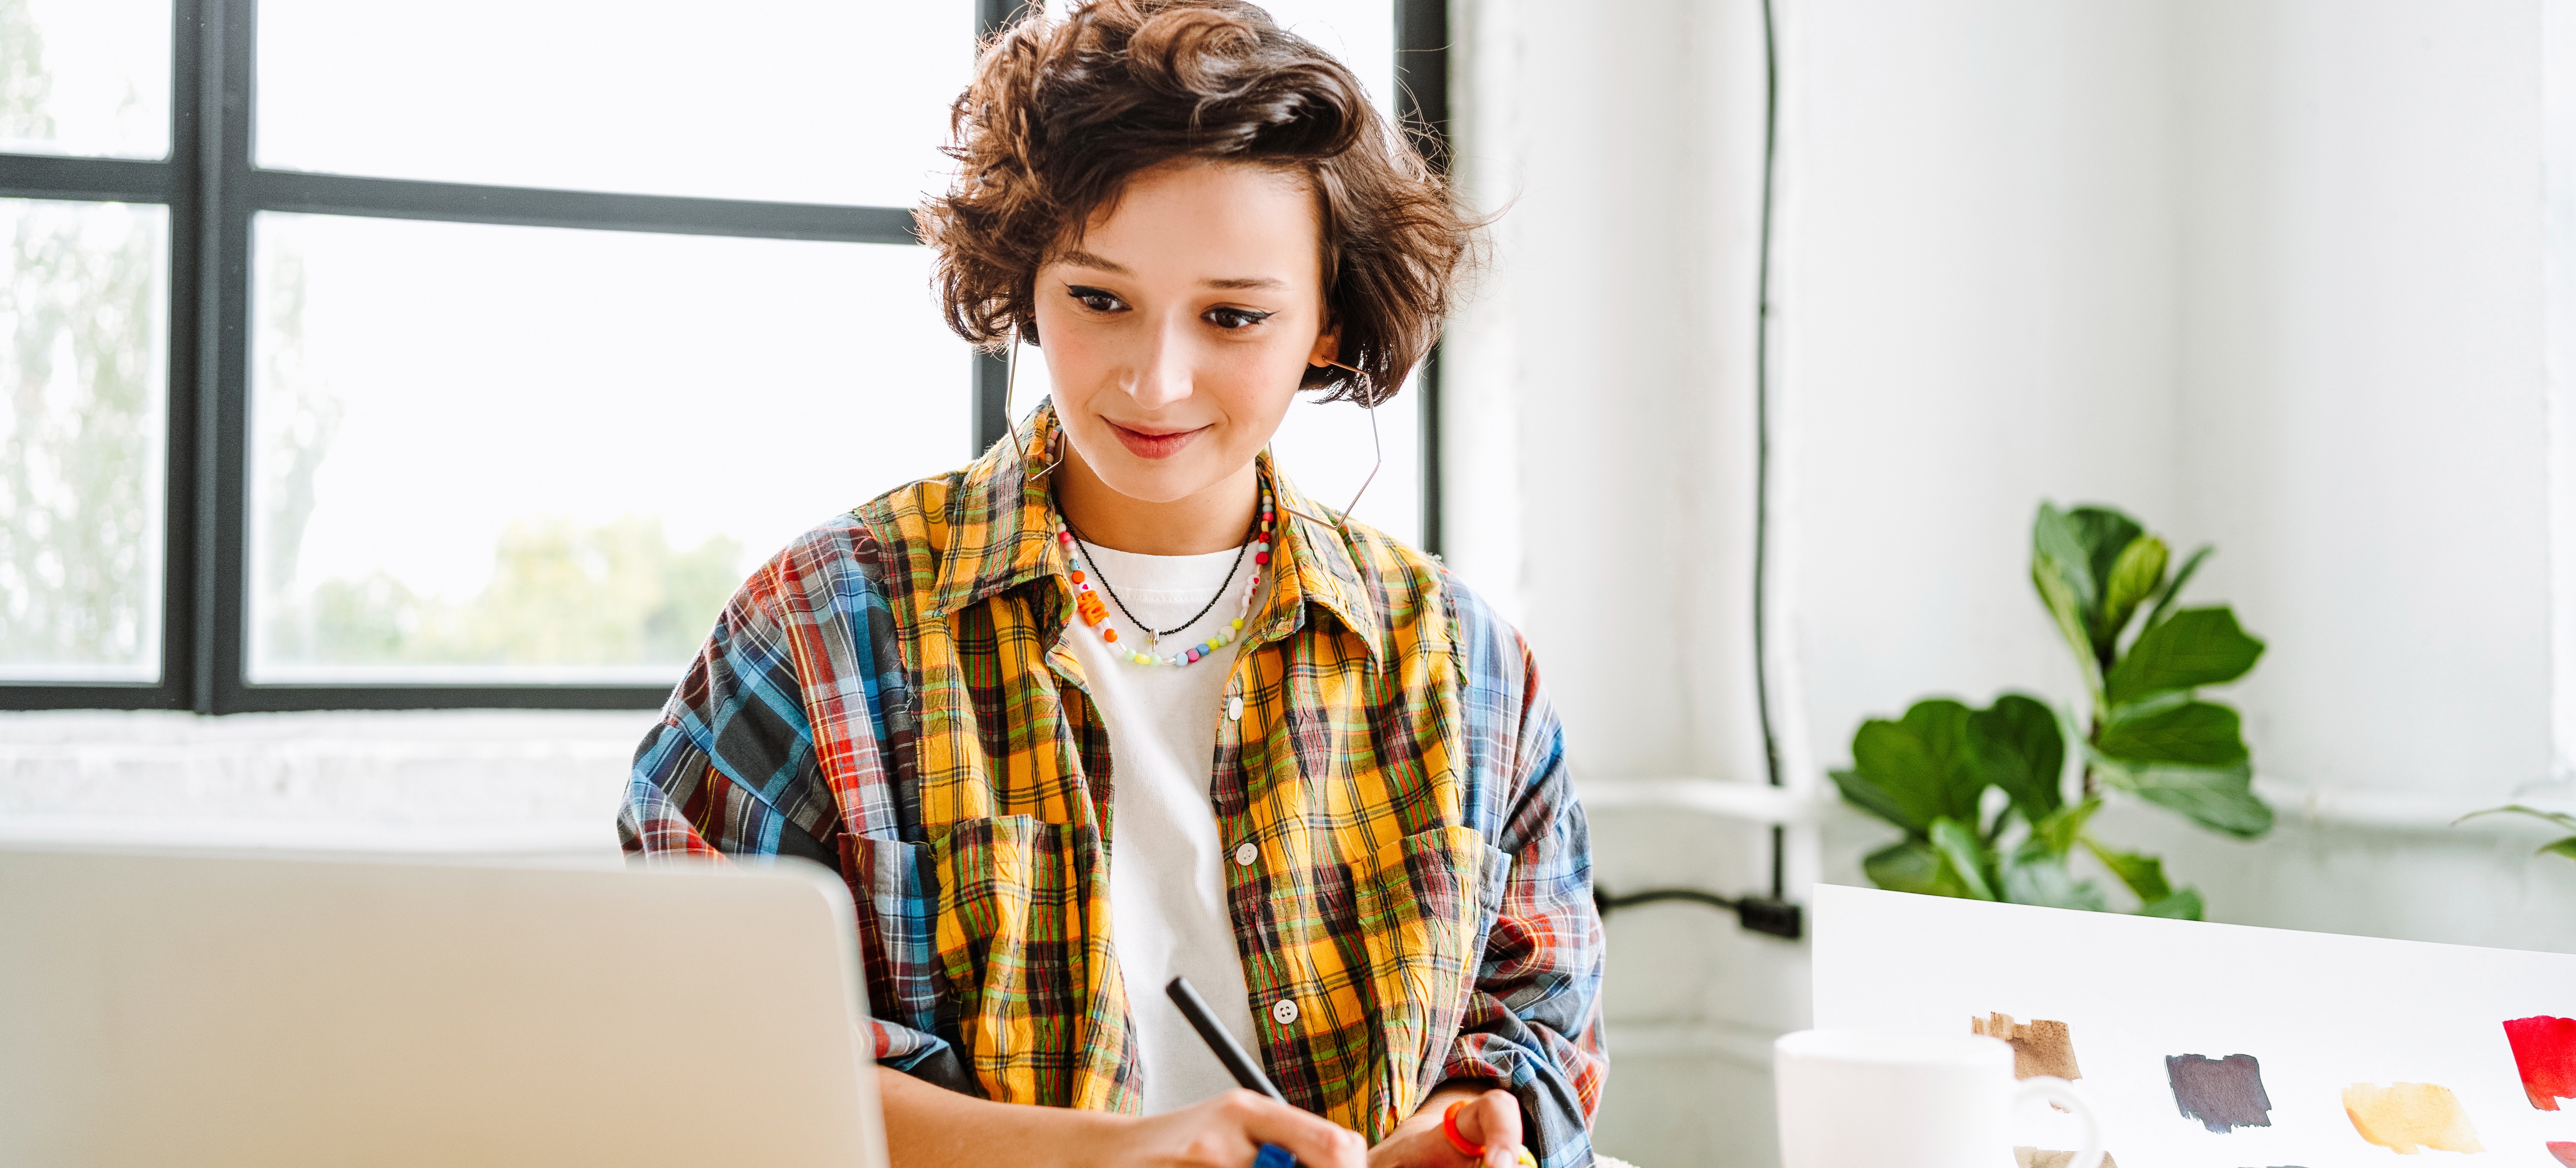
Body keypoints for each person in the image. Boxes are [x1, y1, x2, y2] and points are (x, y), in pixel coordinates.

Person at [618, 3, 1605, 1165]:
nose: (1156, 379)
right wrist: (1106, 1156)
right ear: (1025, 276)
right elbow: (702, 1049)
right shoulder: (823, 627)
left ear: (1328, 322)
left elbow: (1533, 1039)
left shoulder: (1467, 668)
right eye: (1099, 300)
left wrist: (1457, 1137)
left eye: (1233, 317)